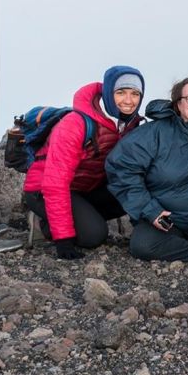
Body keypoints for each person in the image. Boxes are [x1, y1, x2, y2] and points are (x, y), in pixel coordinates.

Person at [23, 66, 145, 259]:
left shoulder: (129, 124)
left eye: (135, 94)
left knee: (130, 192)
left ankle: (81, 216)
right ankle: (45, 224)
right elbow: (55, 182)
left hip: (84, 188)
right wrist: (63, 239)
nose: (128, 101)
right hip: (44, 189)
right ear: (108, 92)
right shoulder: (76, 124)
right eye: (121, 92)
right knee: (93, 236)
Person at [106, 75, 188, 262]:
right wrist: (150, 211)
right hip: (168, 220)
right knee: (143, 246)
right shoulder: (154, 133)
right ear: (179, 104)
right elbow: (121, 168)